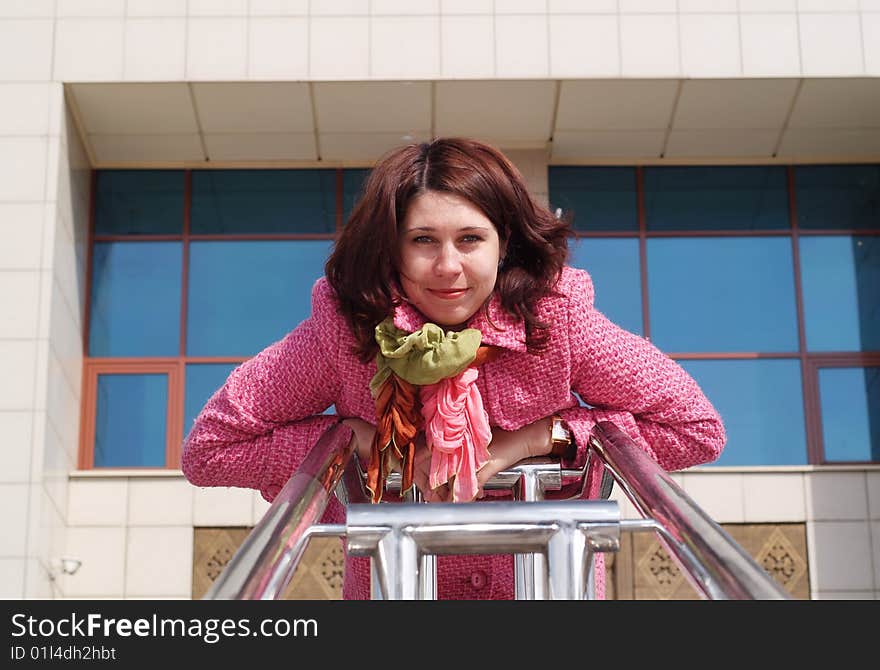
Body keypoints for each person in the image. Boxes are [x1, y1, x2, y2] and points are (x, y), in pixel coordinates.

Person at [181, 137, 726, 600]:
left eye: (470, 239)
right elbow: (210, 449)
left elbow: (695, 430)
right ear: (390, 248)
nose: (447, 267)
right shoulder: (349, 329)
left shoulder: (554, 321)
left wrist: (538, 439)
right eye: (423, 241)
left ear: (503, 243)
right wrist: (358, 438)